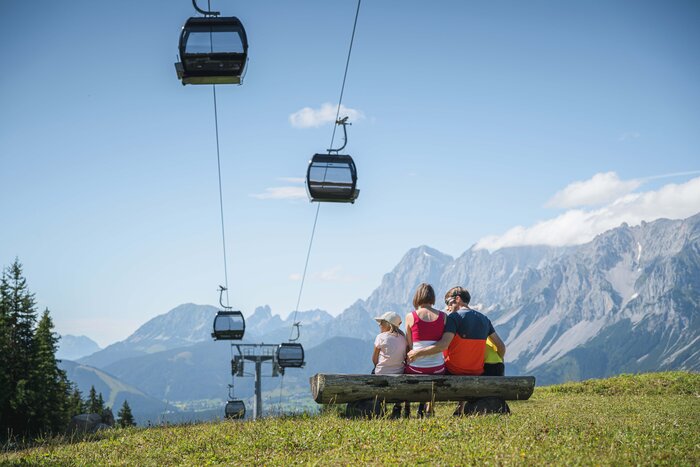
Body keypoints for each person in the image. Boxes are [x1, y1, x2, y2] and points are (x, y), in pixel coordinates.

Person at [407, 286, 506, 414]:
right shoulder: (484, 319)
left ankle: (429, 409)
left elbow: (443, 345)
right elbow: (501, 347)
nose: (448, 308)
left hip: (455, 369)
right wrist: (500, 359)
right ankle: (460, 407)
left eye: (448, 303)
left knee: (438, 366)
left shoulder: (454, 318)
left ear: (458, 299)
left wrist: (417, 352)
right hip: (476, 370)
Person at [404, 283, 447, 417]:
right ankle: (428, 408)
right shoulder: (443, 316)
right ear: (432, 297)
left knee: (406, 368)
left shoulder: (411, 316)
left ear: (417, 297)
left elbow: (410, 346)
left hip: (416, 368)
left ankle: (406, 409)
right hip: (438, 369)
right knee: (438, 366)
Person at [372, 311, 409, 418]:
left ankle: (380, 407)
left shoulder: (381, 337)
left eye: (382, 323)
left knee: (373, 374)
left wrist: (377, 366)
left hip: (381, 373)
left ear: (388, 324)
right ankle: (397, 407)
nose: (379, 325)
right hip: (399, 372)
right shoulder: (403, 339)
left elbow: (374, 359)